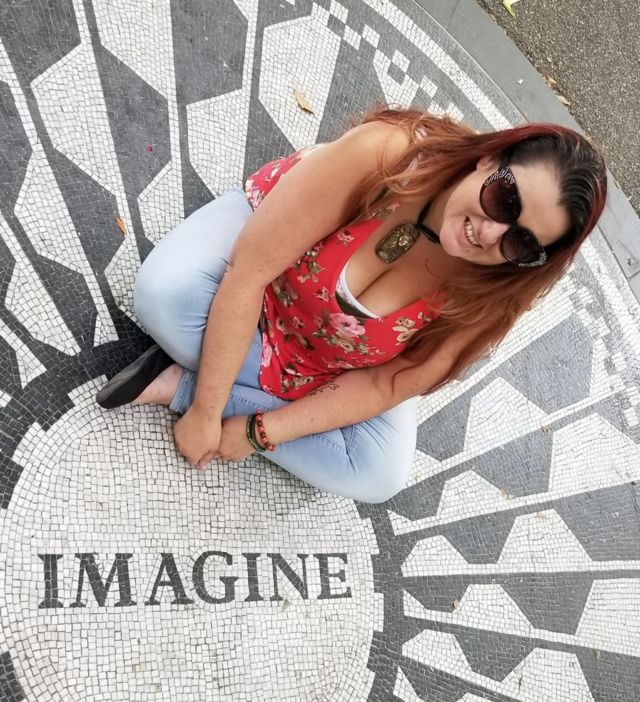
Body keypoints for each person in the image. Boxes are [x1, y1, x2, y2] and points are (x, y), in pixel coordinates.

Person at [96, 107, 607, 503]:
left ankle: (181, 380)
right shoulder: (388, 154)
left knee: (378, 473)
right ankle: (217, 377)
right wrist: (206, 413)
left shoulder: (496, 292)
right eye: (505, 199)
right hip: (263, 274)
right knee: (164, 296)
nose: (491, 233)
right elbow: (248, 271)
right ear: (489, 159)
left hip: (335, 356)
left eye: (521, 241)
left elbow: (387, 384)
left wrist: (258, 432)